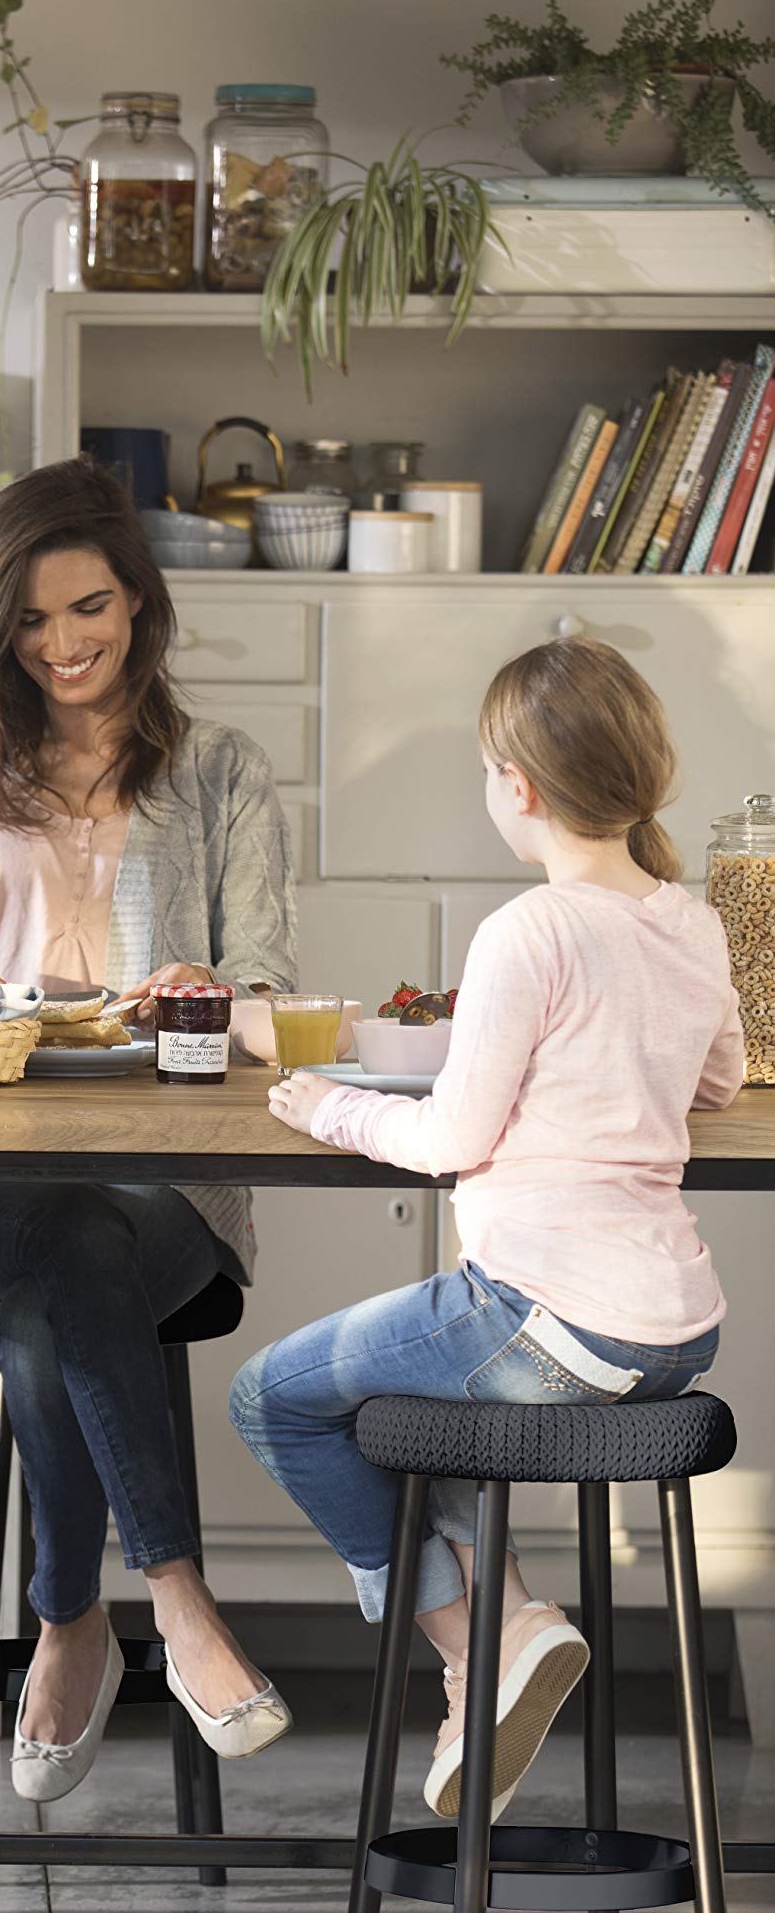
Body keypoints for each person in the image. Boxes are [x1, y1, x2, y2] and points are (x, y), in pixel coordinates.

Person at [0, 456, 298, 1803]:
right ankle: (176, 1602)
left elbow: (269, 989)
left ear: (140, 603)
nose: (61, 646)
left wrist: (205, 998)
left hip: (162, 1187)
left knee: (63, 1263)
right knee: (42, 1229)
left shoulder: (219, 772)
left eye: (87, 609)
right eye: (29, 623)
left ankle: (67, 1623)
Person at [232, 638, 743, 1821]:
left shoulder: (530, 930)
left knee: (273, 1395)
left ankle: (474, 1642)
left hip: (542, 1316)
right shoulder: (692, 924)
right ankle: (504, 1616)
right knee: (419, 1415)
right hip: (674, 1334)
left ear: (518, 783)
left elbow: (451, 1134)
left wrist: (331, 1104)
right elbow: (714, 1084)